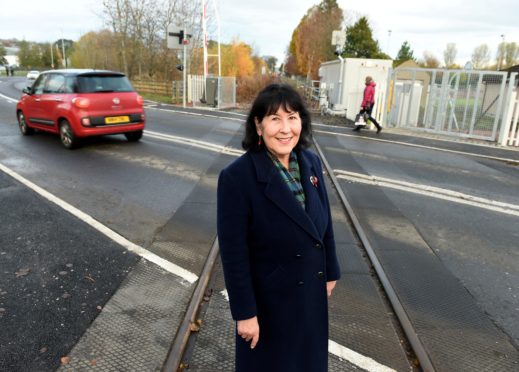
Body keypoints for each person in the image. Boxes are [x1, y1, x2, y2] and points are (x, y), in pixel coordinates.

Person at [217, 83, 341, 372]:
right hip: (269, 304)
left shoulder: (310, 162)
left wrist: (331, 271)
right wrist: (245, 313)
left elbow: (324, 225)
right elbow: (234, 254)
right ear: (258, 126)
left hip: (310, 295)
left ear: (302, 122)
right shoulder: (237, 178)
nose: (286, 129)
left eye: (293, 117)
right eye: (275, 119)